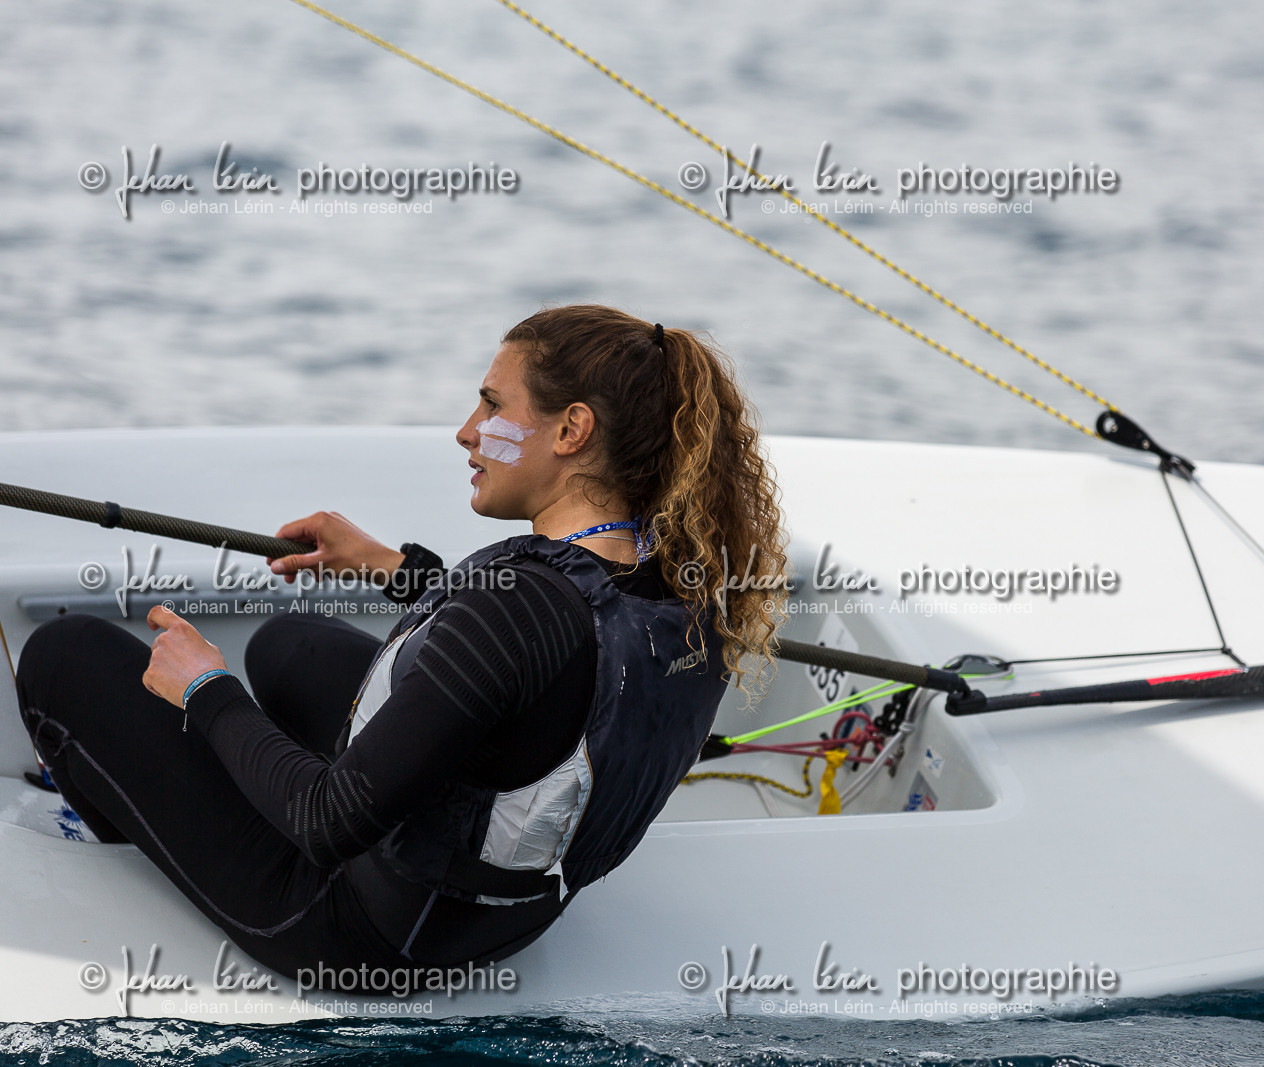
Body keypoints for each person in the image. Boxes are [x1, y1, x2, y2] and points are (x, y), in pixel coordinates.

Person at [14, 305, 787, 989]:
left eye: (491, 404)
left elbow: (327, 819)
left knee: (66, 657)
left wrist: (205, 687)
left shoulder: (518, 613)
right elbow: (546, 664)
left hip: (360, 930)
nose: (465, 430)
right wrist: (394, 567)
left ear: (571, 430)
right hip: (511, 914)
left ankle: (122, 820)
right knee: (289, 647)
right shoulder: (686, 578)